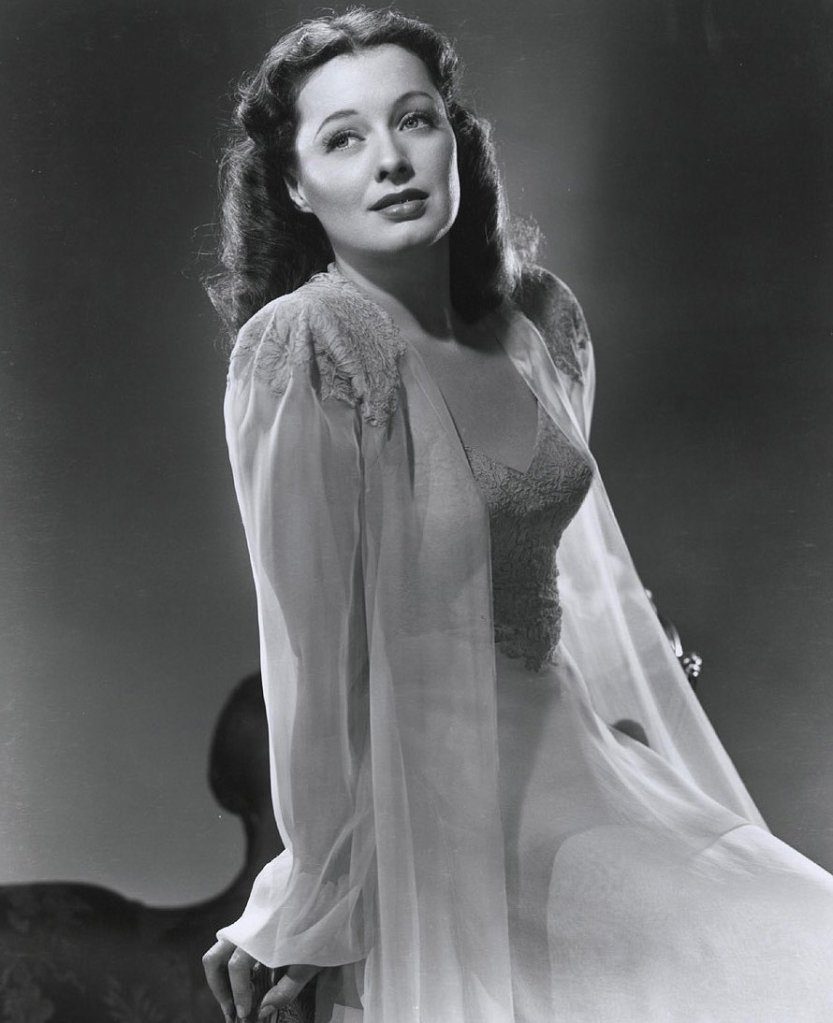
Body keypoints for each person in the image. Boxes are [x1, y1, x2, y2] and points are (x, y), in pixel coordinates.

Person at [201, 9, 833, 1023]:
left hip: (592, 768)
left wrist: (636, 652)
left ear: (456, 138)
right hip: (448, 825)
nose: (391, 159)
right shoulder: (305, 345)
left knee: (802, 934)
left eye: (414, 120)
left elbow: (574, 563)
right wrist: (311, 900)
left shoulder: (538, 320)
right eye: (343, 138)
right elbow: (312, 663)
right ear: (294, 185)